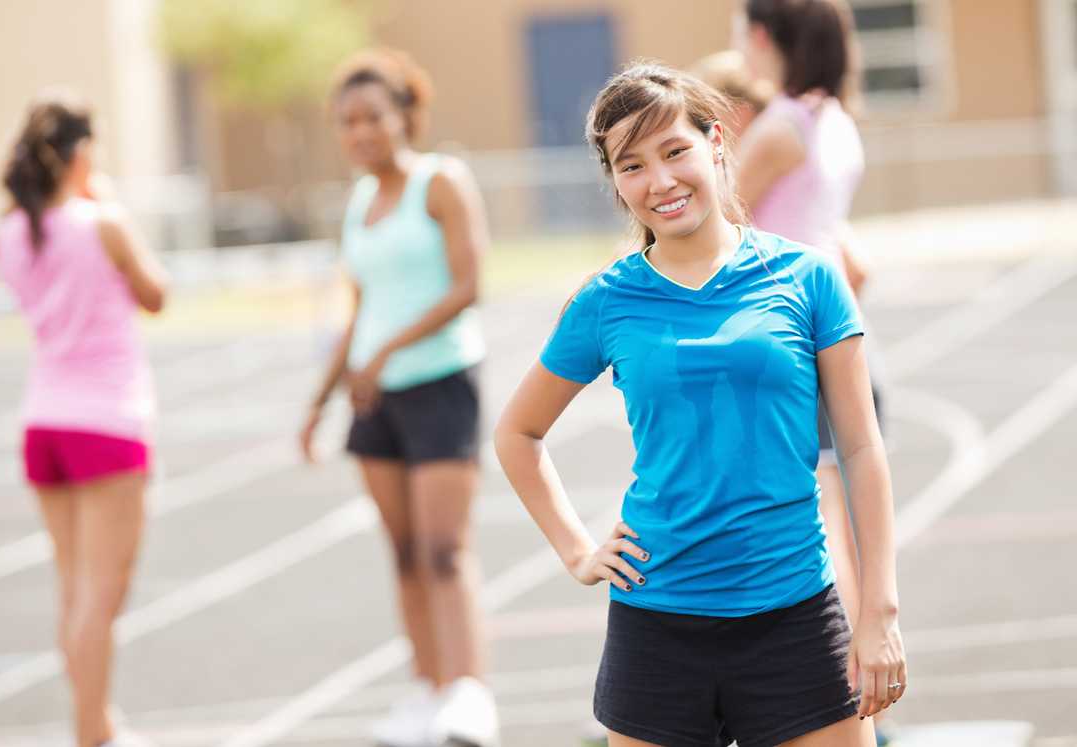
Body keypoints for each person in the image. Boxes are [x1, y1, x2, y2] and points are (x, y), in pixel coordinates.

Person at [494, 62, 905, 747]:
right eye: (632, 165)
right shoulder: (606, 301)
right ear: (616, 183)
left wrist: (880, 611)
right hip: (657, 626)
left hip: (795, 611)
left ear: (717, 142)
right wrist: (576, 550)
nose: (659, 181)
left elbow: (860, 448)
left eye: (674, 150)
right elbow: (517, 431)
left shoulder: (809, 278)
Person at [298, 48, 497, 747]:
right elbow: (357, 310)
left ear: (404, 115)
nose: (359, 133)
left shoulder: (442, 182)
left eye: (372, 117)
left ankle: (470, 695)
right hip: (372, 400)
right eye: (346, 123)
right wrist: (320, 401)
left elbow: (470, 285)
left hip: (440, 384)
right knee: (405, 552)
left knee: (445, 548)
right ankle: (428, 689)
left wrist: (387, 351)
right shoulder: (357, 202)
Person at [0, 93, 167, 747]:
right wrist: (107, 205)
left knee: (73, 590)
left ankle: (98, 721)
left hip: (45, 421)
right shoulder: (104, 222)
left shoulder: (7, 233)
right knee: (102, 592)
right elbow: (157, 294)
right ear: (80, 153)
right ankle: (92, 731)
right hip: (107, 421)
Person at [735, 0, 888, 675]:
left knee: (819, 534)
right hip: (848, 337)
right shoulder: (836, 122)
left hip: (797, 350)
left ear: (763, 36)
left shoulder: (781, 128)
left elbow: (705, 232)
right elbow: (852, 259)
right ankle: (864, 699)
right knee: (851, 531)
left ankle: (845, 695)